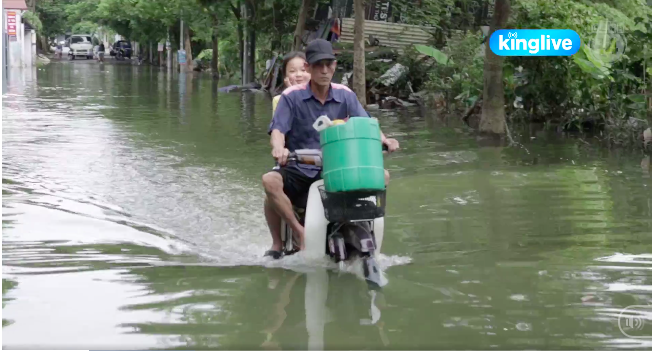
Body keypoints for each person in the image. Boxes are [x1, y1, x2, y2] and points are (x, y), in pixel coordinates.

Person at [262, 39, 399, 259]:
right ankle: (295, 235)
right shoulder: (291, 97)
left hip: (337, 168)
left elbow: (367, 125)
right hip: (300, 167)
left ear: (335, 66)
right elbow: (278, 130)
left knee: (382, 176)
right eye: (318, 65)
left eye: (329, 64)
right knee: (270, 181)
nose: (324, 71)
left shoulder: (345, 94)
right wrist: (279, 148)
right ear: (309, 67)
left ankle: (364, 230)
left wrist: (385, 140)